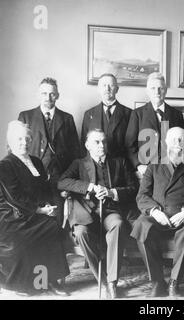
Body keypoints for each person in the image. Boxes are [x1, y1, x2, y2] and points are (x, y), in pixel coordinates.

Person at [58, 129, 139, 299]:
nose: (101, 145)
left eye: (104, 142)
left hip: (111, 211)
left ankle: (112, 282)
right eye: (96, 142)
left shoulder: (120, 162)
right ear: (87, 145)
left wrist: (112, 192)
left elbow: (134, 188)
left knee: (118, 225)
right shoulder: (78, 164)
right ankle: (102, 279)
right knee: (80, 233)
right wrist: (90, 187)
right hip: (85, 212)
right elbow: (62, 182)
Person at [131, 127, 184, 297]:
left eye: (182, 140)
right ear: (166, 142)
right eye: (174, 139)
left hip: (183, 215)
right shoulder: (155, 165)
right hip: (159, 214)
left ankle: (175, 281)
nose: (178, 144)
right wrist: (154, 211)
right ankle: (158, 282)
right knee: (141, 226)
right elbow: (142, 195)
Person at [0, 121, 69, 296]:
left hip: (34, 211)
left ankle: (49, 280)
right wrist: (40, 210)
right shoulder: (6, 165)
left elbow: (43, 189)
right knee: (24, 238)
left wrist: (47, 205)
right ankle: (24, 284)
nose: (24, 142)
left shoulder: (36, 162)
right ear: (11, 142)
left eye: (28, 138)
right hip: (13, 215)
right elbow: (14, 197)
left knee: (52, 227)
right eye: (20, 139)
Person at [18, 77, 80, 226]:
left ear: (57, 95)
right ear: (38, 95)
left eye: (52, 94)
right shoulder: (25, 116)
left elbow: (75, 153)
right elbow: (18, 151)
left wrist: (70, 183)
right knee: (34, 218)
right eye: (44, 93)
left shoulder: (67, 119)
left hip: (59, 179)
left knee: (58, 218)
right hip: (32, 177)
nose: (48, 97)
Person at [125, 72, 184, 178]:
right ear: (147, 91)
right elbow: (129, 145)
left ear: (165, 90)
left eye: (160, 88)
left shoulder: (177, 115)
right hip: (146, 171)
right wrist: (139, 165)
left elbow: (183, 144)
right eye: (153, 88)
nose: (157, 92)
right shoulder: (138, 114)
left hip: (171, 171)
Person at [81, 73, 132, 158]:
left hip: (121, 166)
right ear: (98, 89)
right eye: (104, 85)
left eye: (111, 85)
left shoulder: (129, 113)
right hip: (96, 167)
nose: (107, 89)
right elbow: (84, 144)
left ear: (117, 89)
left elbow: (131, 145)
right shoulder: (89, 114)